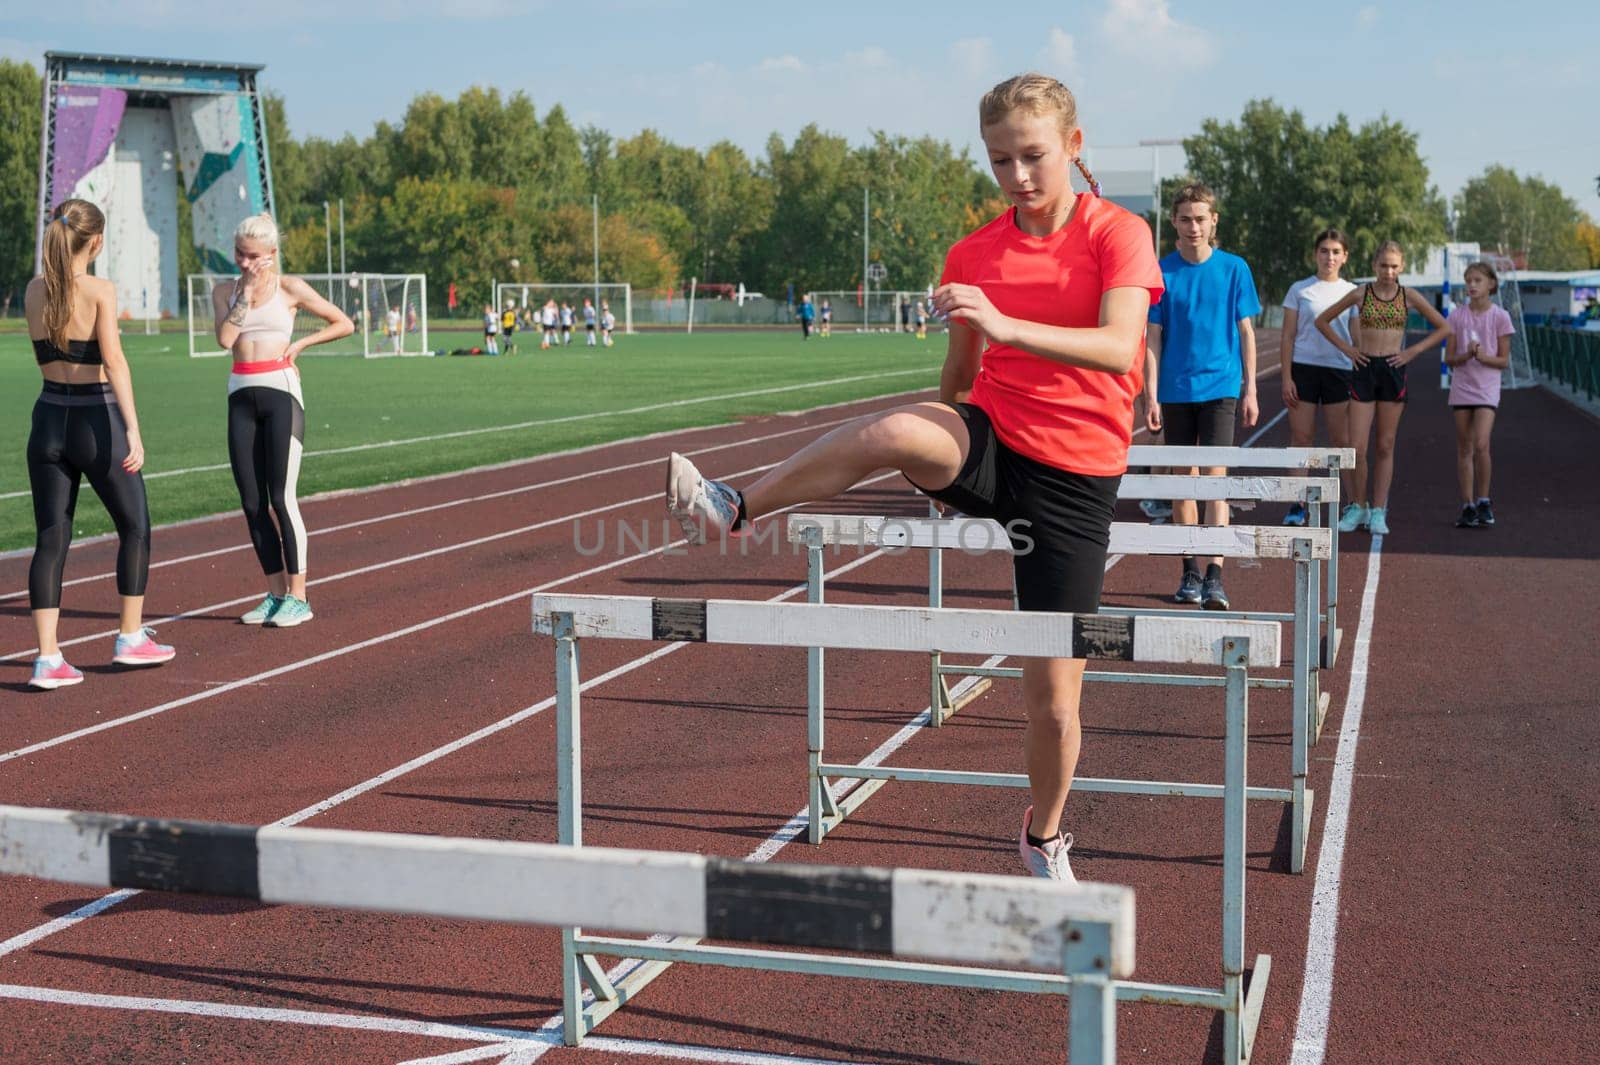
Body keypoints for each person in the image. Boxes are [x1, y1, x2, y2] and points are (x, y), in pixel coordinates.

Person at [665, 72, 1162, 881]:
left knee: (1055, 705)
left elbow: (1118, 349)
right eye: (1000, 161)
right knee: (898, 426)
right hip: (995, 442)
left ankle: (1043, 835)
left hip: (1077, 478)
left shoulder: (1119, 234)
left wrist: (1004, 321)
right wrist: (946, 461)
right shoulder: (973, 253)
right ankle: (734, 503)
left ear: (1073, 146)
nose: (1018, 177)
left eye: (1033, 156)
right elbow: (958, 378)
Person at [24, 199, 175, 689]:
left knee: (51, 539)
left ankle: (47, 658)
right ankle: (130, 636)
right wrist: (134, 429)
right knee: (135, 527)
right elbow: (115, 362)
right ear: (96, 242)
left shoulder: (32, 291)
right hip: (96, 419)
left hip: (47, 418)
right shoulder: (100, 290)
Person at [212, 214, 353, 628]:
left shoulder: (290, 288)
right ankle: (274, 594)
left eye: (254, 255)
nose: (245, 262)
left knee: (281, 498)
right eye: (240, 253)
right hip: (240, 393)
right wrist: (246, 294)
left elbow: (344, 322)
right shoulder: (225, 291)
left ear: (272, 254)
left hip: (281, 391)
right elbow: (224, 339)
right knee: (252, 503)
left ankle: (299, 596)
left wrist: (302, 344)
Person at [1144, 183, 1261, 610]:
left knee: (1215, 482)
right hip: (1176, 389)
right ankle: (1189, 571)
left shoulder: (1234, 269)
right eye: (1185, 219)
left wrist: (1250, 389)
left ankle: (1215, 575)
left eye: (1201, 218)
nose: (1193, 226)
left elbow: (1246, 332)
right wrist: (1150, 393)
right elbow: (1153, 336)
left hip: (1220, 387)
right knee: (1182, 483)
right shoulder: (1162, 272)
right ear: (1174, 222)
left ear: (1214, 221)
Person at [1315, 241, 1450, 535]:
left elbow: (1445, 327)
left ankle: (1378, 511)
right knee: (1357, 447)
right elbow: (1322, 320)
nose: (1388, 272)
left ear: (1401, 267)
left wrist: (1412, 352)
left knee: (1385, 445)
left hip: (1393, 371)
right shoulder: (1361, 293)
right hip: (1364, 368)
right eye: (1383, 265)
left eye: (1394, 266)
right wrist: (1348, 349)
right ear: (1374, 266)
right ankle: (1358, 506)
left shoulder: (1408, 296)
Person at [1280, 228, 1358, 526]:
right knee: (1302, 437)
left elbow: (1356, 337)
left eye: (1336, 251)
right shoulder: (1300, 290)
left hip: (1340, 371)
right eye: (1324, 250)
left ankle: (1351, 504)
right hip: (1304, 369)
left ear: (1345, 256)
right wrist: (1287, 377)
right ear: (1316, 254)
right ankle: (1297, 504)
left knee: (1341, 440)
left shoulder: (1351, 291)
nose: (1330, 256)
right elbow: (1288, 336)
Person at [1445, 261, 1513, 528]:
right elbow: (1450, 358)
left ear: (1491, 284)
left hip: (1486, 388)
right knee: (1464, 447)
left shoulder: (1500, 316)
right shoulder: (1456, 316)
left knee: (1482, 443)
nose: (1472, 285)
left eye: (1477, 281)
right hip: (1462, 387)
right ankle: (1467, 504)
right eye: (1468, 280)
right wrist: (1466, 355)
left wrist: (1483, 356)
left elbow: (1504, 360)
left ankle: (1484, 500)